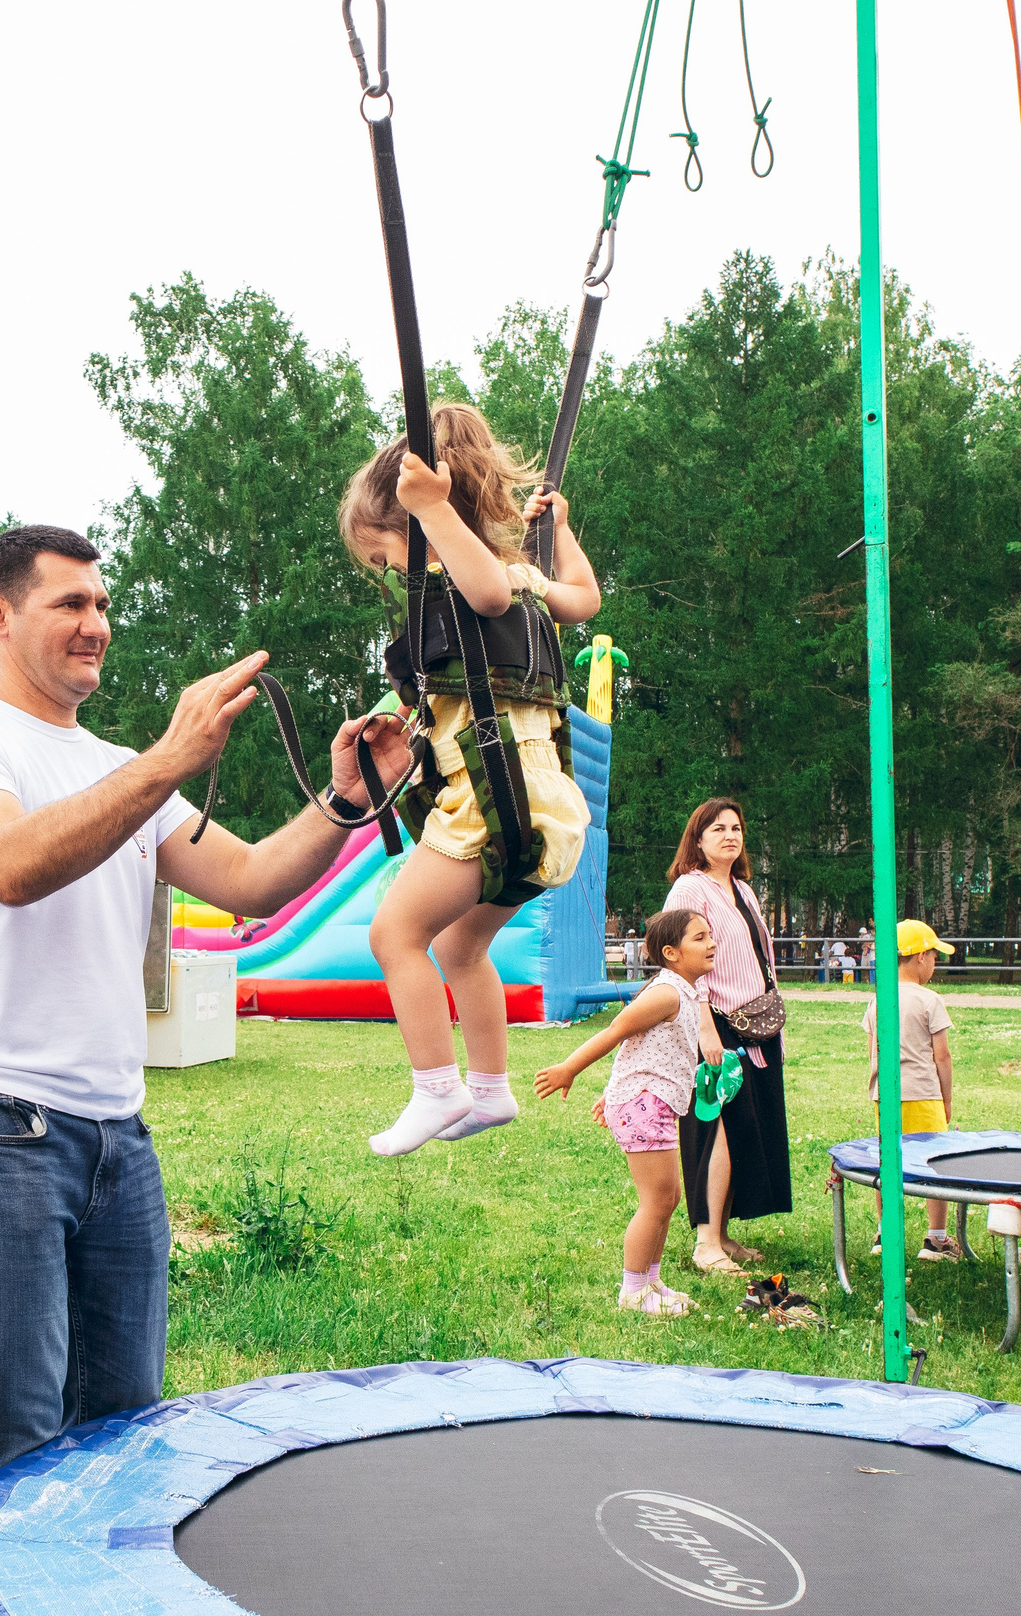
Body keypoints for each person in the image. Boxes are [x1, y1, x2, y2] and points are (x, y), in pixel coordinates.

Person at [0, 523, 405, 1514]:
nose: (95, 625)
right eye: (70, 605)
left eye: (101, 605)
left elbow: (252, 879)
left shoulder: (120, 766)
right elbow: (8, 865)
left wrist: (347, 800)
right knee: (9, 1426)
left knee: (124, 1425)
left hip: (114, 1138)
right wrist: (166, 761)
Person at [338, 403, 601, 1156]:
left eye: (386, 555)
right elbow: (584, 597)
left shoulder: (469, 576)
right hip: (540, 800)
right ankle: (491, 1090)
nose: (391, 573)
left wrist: (428, 508)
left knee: (394, 933)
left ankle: (438, 1088)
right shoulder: (527, 577)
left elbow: (480, 589)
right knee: (458, 948)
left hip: (491, 799)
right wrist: (563, 532)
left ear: (420, 531)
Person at [533, 908, 718, 1318]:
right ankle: (632, 1291)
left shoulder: (683, 991)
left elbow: (640, 1051)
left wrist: (614, 1091)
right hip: (645, 1105)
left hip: (650, 1102)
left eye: (710, 936)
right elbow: (615, 1031)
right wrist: (569, 1070)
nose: (711, 944)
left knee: (668, 1199)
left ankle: (651, 1282)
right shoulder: (666, 993)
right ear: (671, 952)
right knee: (656, 1201)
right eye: (700, 938)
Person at [661, 799, 792, 1275]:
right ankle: (705, 1243)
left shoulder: (743, 889)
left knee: (745, 1129)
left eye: (736, 828)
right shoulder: (689, 889)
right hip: (716, 1027)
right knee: (717, 1131)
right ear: (697, 839)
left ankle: (724, 1233)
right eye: (718, 829)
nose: (730, 836)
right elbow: (678, 961)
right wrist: (703, 1026)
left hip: (756, 1028)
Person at [864, 920, 958, 1260]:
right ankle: (936, 1239)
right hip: (924, 1094)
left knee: (888, 1162)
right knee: (936, 1165)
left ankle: (885, 1232)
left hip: (886, 1097)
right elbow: (942, 1056)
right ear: (920, 957)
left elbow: (873, 1048)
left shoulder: (878, 1000)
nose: (934, 962)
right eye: (933, 955)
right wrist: (946, 1099)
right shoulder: (930, 1000)